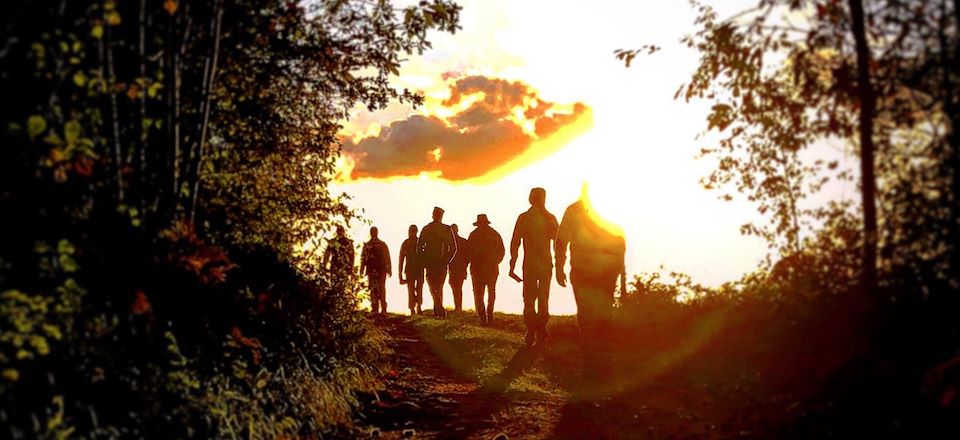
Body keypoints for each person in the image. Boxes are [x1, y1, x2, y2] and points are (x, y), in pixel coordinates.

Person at [555, 184, 627, 377]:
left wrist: (559, 267)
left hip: (586, 271)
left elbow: (561, 240)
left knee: (588, 316)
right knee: (601, 314)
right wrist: (620, 274)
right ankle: (599, 362)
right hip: (600, 272)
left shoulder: (575, 210)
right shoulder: (608, 207)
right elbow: (620, 242)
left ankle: (593, 363)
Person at [510, 187, 559, 346]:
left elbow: (515, 242)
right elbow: (558, 245)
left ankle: (532, 330)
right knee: (543, 297)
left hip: (530, 264)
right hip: (545, 264)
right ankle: (540, 330)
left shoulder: (524, 218)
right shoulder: (550, 218)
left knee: (529, 298)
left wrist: (513, 264)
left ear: (531, 199)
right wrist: (558, 265)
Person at [418, 207, 457, 318]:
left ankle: (438, 309)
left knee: (437, 286)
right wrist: (424, 260)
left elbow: (453, 247)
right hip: (431, 262)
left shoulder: (445, 229)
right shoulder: (427, 229)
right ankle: (439, 308)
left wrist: (447, 260)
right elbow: (420, 246)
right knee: (434, 286)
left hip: (440, 263)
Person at [467, 214, 505, 326]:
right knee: (490, 293)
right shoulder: (494, 234)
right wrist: (495, 262)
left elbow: (468, 252)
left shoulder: (473, 235)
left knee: (479, 294)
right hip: (491, 269)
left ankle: (483, 318)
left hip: (478, 269)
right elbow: (501, 251)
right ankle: (489, 316)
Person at [360, 226, 392, 315]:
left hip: (380, 270)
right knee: (375, 288)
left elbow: (387, 257)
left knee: (379, 288)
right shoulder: (368, 245)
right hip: (374, 270)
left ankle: (381, 308)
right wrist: (362, 269)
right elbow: (363, 258)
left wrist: (389, 268)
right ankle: (376, 308)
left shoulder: (381, 244)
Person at [399, 224, 424, 316]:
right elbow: (401, 259)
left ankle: (418, 307)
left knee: (418, 289)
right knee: (411, 290)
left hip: (418, 269)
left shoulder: (420, 243)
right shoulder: (406, 243)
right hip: (410, 270)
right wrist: (400, 274)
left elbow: (425, 256)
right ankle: (413, 308)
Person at [448, 224, 469, 312]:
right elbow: (468, 257)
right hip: (460, 268)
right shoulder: (463, 241)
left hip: (455, 268)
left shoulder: (449, 242)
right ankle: (458, 306)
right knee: (458, 287)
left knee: (455, 287)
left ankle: (458, 306)